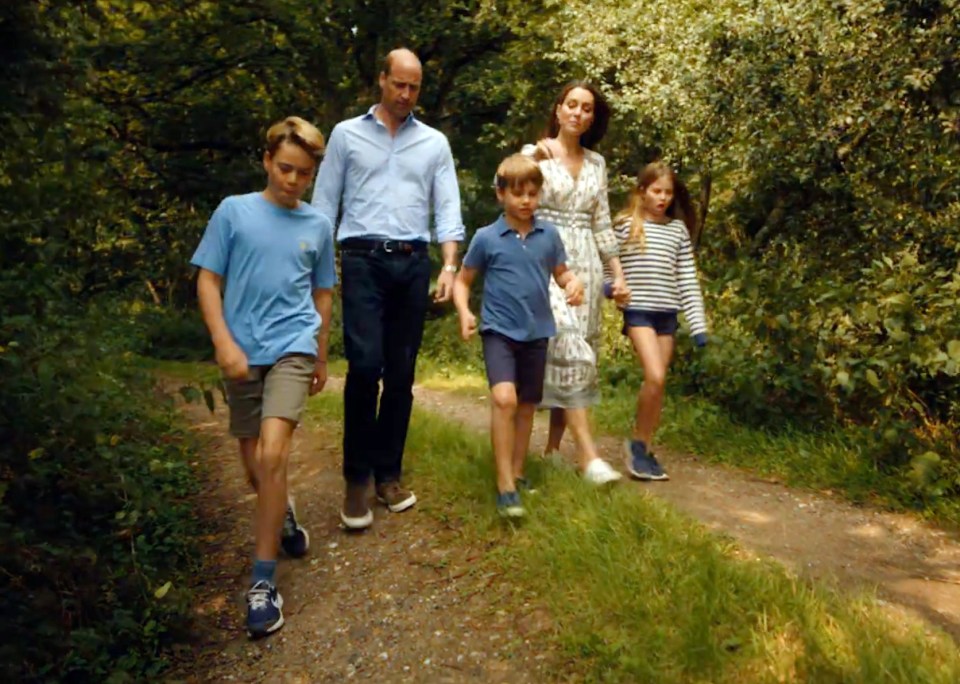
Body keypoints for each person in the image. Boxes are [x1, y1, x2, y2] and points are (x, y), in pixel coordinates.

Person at [191, 116, 336, 638]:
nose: (293, 181)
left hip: (293, 346)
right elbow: (208, 280)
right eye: (284, 169)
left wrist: (319, 355)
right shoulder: (234, 212)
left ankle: (262, 582)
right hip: (241, 352)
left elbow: (322, 295)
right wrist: (223, 343)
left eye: (303, 173)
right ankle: (285, 514)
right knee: (256, 467)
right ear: (267, 161)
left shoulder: (317, 226)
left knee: (274, 455)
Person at [312, 48, 464, 530]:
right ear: (381, 80)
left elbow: (448, 207)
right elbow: (322, 206)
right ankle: (356, 479)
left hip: (414, 263)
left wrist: (449, 264)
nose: (405, 94)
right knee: (363, 366)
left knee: (400, 373)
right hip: (361, 260)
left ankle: (388, 475)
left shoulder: (434, 143)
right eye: (398, 84)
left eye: (414, 86)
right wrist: (314, 269)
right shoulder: (346, 135)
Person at [454, 154, 584, 517]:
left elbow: (562, 274)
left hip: (537, 331)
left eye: (532, 193)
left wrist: (574, 284)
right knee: (505, 400)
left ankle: (518, 471)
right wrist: (465, 312)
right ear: (501, 195)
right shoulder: (487, 238)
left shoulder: (549, 236)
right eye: (518, 193)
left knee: (527, 406)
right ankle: (504, 485)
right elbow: (464, 282)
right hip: (499, 331)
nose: (526, 200)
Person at [525, 81, 629, 484]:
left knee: (578, 354)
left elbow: (602, 222)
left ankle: (553, 450)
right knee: (568, 346)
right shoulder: (535, 154)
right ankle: (589, 458)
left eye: (587, 108)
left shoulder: (597, 164)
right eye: (572, 105)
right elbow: (510, 183)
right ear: (558, 109)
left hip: (586, 263)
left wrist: (617, 274)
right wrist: (534, 154)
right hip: (546, 261)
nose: (579, 113)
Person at [612, 162, 708, 481]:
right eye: (656, 191)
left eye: (668, 192)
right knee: (653, 374)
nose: (663, 197)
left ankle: (641, 445)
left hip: (667, 314)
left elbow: (687, 280)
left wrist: (698, 325)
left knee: (659, 382)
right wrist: (609, 289)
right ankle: (638, 448)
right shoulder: (626, 225)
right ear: (642, 191)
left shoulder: (677, 230)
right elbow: (605, 263)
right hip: (638, 311)